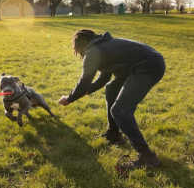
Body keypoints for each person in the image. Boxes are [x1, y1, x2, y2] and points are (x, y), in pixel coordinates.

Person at [58, 29, 166, 170]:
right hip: (148, 63)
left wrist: (70, 98)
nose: (78, 53)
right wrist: (87, 91)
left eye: (77, 50)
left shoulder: (93, 52)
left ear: (80, 45)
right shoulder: (103, 47)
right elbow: (103, 79)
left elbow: (84, 80)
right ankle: (114, 135)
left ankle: (147, 157)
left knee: (120, 111)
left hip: (147, 67)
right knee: (111, 88)